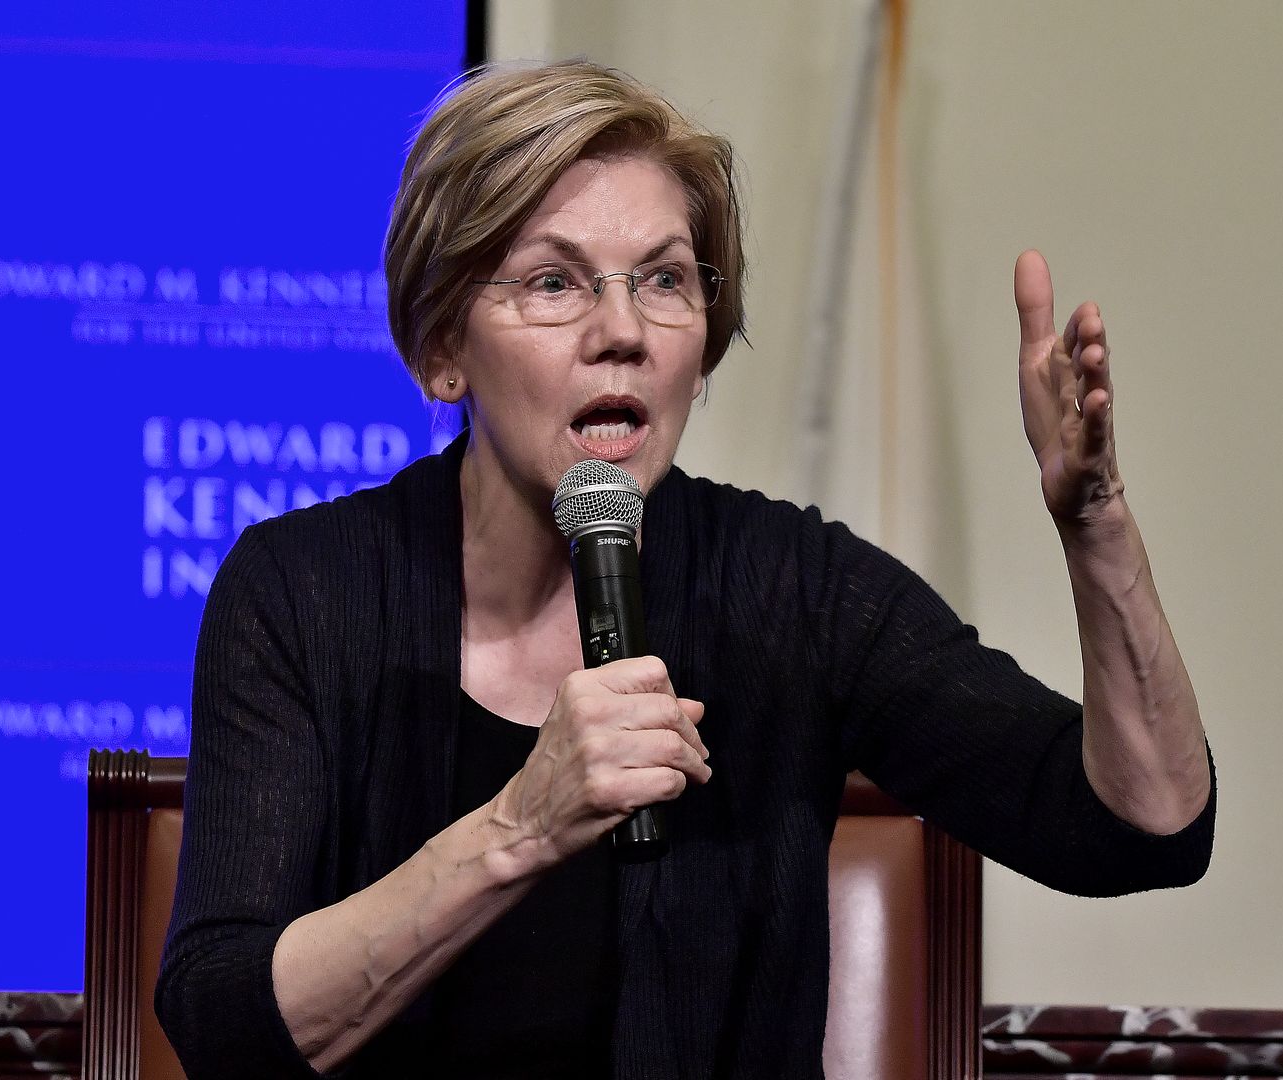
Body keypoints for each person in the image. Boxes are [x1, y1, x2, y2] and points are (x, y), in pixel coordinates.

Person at [156, 59, 1215, 1080]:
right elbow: (225, 1020)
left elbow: (1141, 831)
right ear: (442, 347)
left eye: (665, 279)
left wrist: (1099, 529)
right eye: (554, 281)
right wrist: (522, 826)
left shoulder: (791, 590)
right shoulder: (305, 592)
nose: (623, 332)